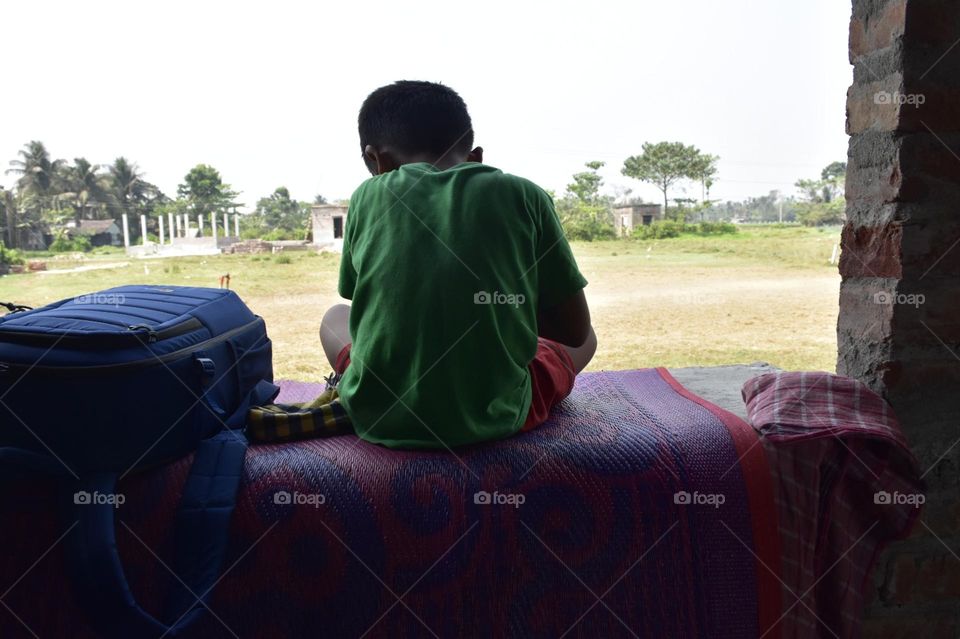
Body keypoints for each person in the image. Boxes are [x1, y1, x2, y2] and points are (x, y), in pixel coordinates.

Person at [319, 80, 596, 449]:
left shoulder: (367, 195)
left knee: (334, 318)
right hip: (497, 415)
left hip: (377, 411)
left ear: (376, 160)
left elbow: (364, 302)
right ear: (475, 156)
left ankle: (352, 385)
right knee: (588, 338)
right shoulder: (524, 194)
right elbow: (574, 332)